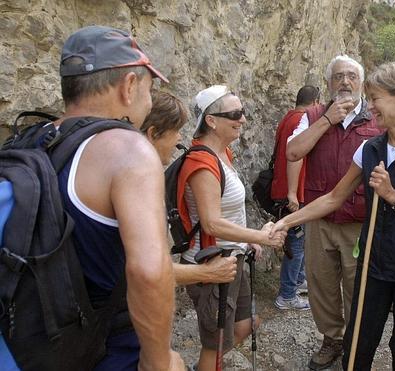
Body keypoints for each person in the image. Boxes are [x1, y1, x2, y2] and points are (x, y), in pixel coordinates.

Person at [273, 61, 395, 369]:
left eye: (375, 98)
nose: (370, 107)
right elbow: (333, 197)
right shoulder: (370, 149)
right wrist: (286, 221)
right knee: (358, 345)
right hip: (375, 266)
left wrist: (392, 197)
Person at [56, 26, 184, 370]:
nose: (149, 99)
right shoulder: (127, 148)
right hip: (108, 352)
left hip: (35, 344)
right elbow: (148, 271)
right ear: (129, 85)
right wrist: (158, 362)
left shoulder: (34, 142)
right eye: (149, 87)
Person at [178, 85, 285, 371]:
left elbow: (230, 211)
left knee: (244, 326)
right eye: (235, 114)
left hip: (233, 259)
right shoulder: (202, 163)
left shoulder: (223, 153)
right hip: (211, 265)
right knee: (214, 348)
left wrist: (247, 241)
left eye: (243, 112)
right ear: (211, 120)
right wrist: (259, 236)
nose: (243, 119)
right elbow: (212, 222)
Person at [286, 55, 383, 369]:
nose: (345, 82)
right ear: (328, 84)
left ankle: (357, 344)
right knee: (321, 285)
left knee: (358, 286)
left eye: (352, 76)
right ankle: (332, 340)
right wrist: (326, 119)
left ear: (362, 83)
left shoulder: (376, 118)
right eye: (338, 77)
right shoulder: (313, 115)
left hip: (360, 221)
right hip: (320, 219)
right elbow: (293, 151)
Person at [140, 90, 238, 286]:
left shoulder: (143, 175)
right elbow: (144, 266)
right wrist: (206, 273)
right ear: (152, 134)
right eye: (175, 131)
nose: (179, 139)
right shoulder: (138, 184)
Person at [271, 85, 321, 310]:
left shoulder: (288, 118)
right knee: (297, 241)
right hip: (294, 191)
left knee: (297, 239)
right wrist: (293, 193)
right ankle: (287, 295)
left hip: (282, 187)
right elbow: (296, 157)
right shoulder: (303, 120)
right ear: (315, 102)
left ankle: (298, 281)